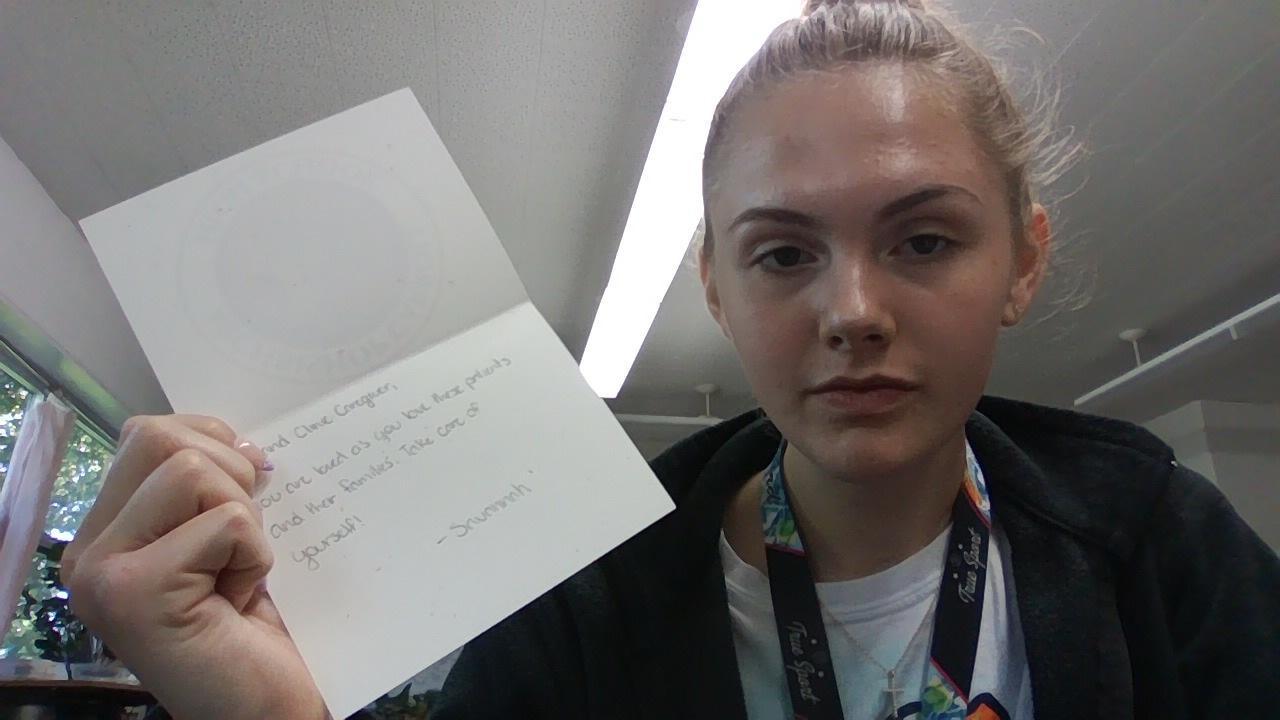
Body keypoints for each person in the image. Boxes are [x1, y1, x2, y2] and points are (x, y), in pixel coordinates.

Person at [61, 0, 1280, 718]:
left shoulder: (1160, 546)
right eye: (781, 254)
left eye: (922, 239)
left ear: (1021, 259)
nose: (852, 312)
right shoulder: (580, 607)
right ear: (714, 286)